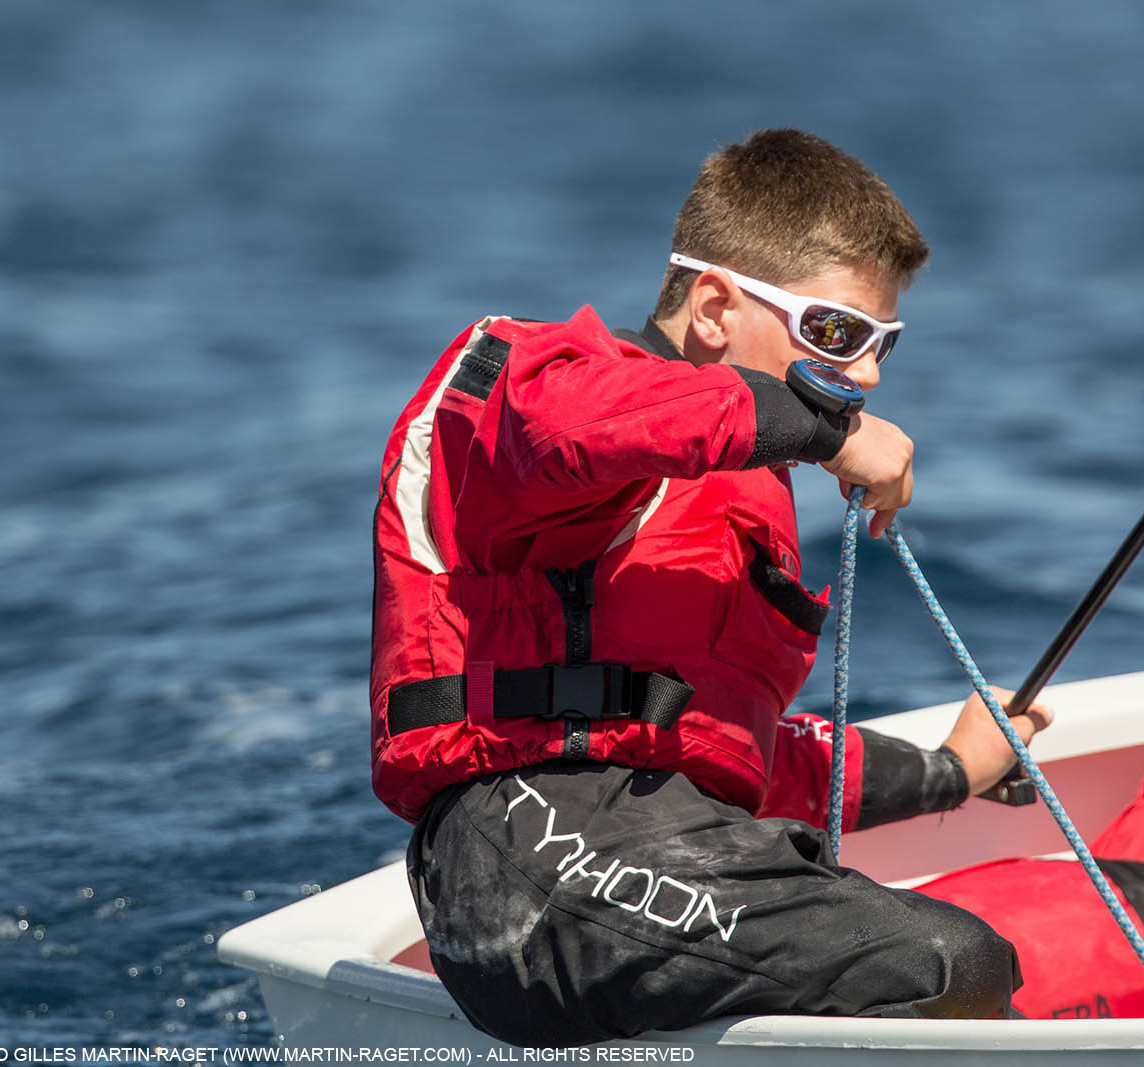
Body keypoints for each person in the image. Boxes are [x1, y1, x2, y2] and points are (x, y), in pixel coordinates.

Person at [369, 129, 1053, 1047]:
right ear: (717, 306)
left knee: (973, 956)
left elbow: (750, 750)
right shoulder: (543, 386)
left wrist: (950, 770)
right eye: (837, 333)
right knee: (945, 964)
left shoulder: (737, 497)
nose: (868, 376)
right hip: (526, 856)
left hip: (669, 849)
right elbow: (572, 429)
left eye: (883, 342)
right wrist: (825, 434)